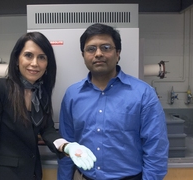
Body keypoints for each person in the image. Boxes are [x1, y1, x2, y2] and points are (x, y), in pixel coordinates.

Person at [58, 23, 169, 180]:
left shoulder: (143, 94)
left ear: (118, 53)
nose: (98, 54)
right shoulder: (72, 95)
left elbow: (156, 148)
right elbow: (67, 146)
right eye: (91, 49)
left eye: (106, 47)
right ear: (83, 55)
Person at [0, 32, 96, 180]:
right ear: (17, 59)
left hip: (33, 173)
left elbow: (47, 130)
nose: (35, 63)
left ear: (47, 63)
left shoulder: (41, 93)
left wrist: (67, 146)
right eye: (28, 55)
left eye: (41, 57)